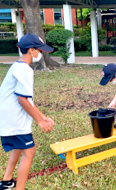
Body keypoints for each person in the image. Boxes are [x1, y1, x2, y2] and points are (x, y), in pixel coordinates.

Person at [0, 34, 55, 190]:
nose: (41, 53)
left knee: (19, 146)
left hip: (9, 116)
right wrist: (40, 121)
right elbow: (22, 100)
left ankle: (6, 181)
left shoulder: (17, 66)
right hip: (14, 118)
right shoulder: (25, 69)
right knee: (29, 152)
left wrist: (43, 116)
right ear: (31, 50)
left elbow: (27, 99)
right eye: (39, 50)